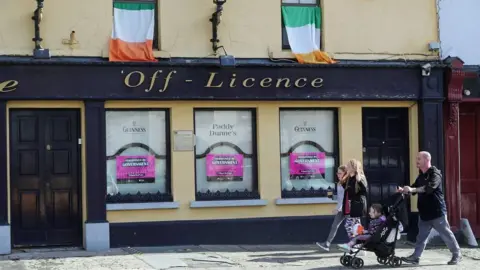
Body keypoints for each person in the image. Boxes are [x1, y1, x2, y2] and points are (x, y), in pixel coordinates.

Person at [398, 151, 461, 265]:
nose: (416, 161)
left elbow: (429, 188)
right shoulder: (421, 175)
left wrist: (413, 190)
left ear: (427, 160)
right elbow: (415, 187)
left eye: (419, 159)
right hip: (424, 212)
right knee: (421, 237)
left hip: (437, 212)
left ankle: (457, 255)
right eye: (417, 158)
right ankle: (416, 257)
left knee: (446, 235)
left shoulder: (435, 174)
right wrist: (405, 190)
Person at [316, 165, 348, 251]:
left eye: (340, 173)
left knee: (352, 227)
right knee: (334, 226)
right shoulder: (339, 183)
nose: (338, 174)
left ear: (345, 173)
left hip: (349, 209)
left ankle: (356, 246)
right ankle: (327, 244)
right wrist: (331, 197)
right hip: (341, 209)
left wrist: (338, 208)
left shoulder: (347, 184)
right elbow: (340, 197)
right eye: (337, 173)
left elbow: (346, 197)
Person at [339, 159, 368, 251]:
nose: (347, 167)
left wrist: (359, 181)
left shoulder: (360, 177)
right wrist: (342, 180)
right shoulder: (350, 178)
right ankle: (358, 246)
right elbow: (348, 190)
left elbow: (365, 190)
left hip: (358, 205)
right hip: (351, 205)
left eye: (348, 165)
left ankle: (353, 245)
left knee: (349, 225)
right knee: (356, 227)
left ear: (353, 167)